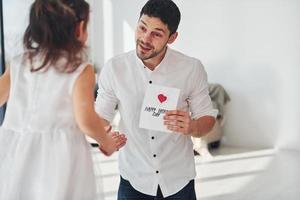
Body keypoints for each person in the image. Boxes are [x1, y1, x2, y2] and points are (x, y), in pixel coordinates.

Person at [0, 0, 126, 199]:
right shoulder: (79, 68)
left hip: (17, 152)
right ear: (79, 28)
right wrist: (106, 141)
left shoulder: (19, 63)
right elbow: (85, 120)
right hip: (59, 159)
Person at [96, 0, 217, 199]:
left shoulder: (191, 68)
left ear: (172, 37)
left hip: (178, 181)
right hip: (133, 179)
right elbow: (100, 117)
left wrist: (192, 127)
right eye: (142, 27)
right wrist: (103, 136)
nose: (145, 38)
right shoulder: (115, 68)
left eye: (157, 34)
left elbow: (207, 118)